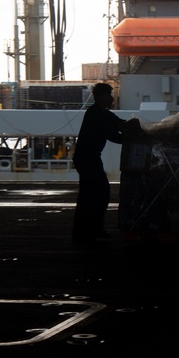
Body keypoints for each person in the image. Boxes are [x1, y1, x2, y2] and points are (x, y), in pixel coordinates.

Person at [71, 82, 126, 244]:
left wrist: (133, 128)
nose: (111, 98)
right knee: (97, 193)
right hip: (87, 159)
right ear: (101, 97)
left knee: (92, 194)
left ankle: (89, 229)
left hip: (90, 158)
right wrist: (132, 137)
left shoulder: (102, 113)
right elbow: (112, 134)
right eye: (109, 95)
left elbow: (118, 123)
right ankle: (87, 231)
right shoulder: (95, 114)